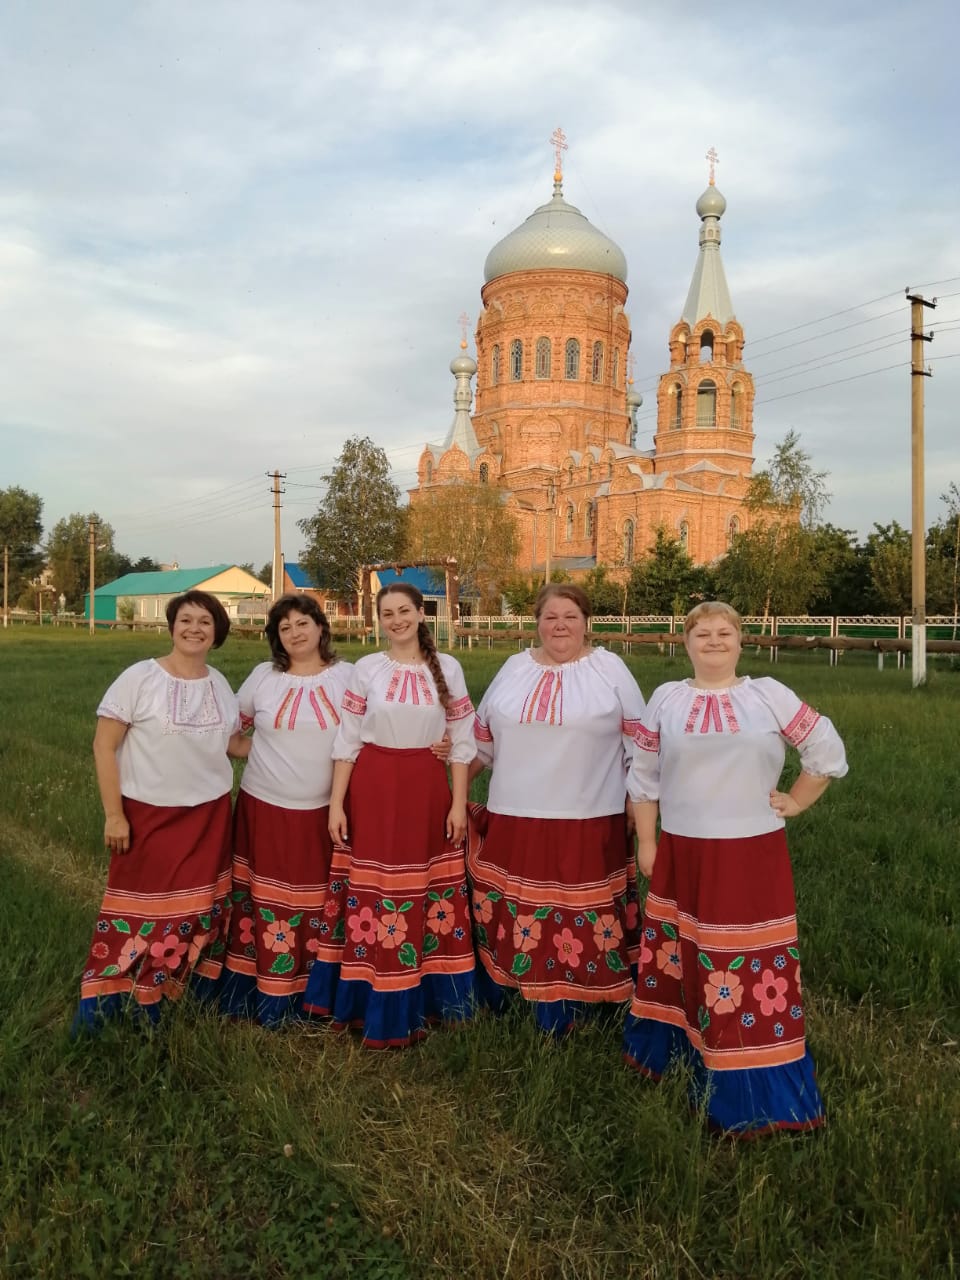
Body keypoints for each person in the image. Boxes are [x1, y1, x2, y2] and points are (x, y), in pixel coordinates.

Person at [623, 601, 848, 1136]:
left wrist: (797, 799)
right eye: (703, 633)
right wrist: (648, 844)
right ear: (686, 642)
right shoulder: (666, 700)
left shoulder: (767, 695)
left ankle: (754, 1076)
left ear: (742, 641)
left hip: (750, 851)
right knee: (687, 951)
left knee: (743, 958)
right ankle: (680, 1050)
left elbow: (826, 748)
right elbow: (645, 777)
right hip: (683, 851)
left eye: (725, 633)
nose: (714, 641)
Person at [302, 582, 477, 1047]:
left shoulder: (450, 669)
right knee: (374, 887)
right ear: (377, 619)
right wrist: (337, 803)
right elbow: (349, 739)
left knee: (425, 886)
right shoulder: (367, 669)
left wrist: (458, 804)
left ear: (422, 614)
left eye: (405, 610)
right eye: (387, 613)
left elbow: (461, 743)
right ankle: (364, 996)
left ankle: (430, 997)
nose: (396, 620)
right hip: (374, 785)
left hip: (424, 786)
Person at [467, 583, 646, 1035]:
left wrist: (635, 801)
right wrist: (440, 791)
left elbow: (641, 746)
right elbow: (481, 742)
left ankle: (578, 1005)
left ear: (587, 622)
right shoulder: (514, 667)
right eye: (550, 616)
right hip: (515, 810)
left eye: (570, 616)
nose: (560, 625)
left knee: (576, 912)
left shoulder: (610, 669)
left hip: (587, 814)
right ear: (537, 622)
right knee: (518, 907)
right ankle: (511, 990)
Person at [73, 590, 240, 1031]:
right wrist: (114, 814)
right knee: (138, 911)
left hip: (209, 819)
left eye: (205, 621)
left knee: (196, 909)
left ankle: (177, 993)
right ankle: (113, 1002)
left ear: (216, 633)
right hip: (147, 817)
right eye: (186, 619)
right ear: (172, 627)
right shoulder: (139, 678)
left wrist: (303, 742)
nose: (194, 628)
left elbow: (232, 744)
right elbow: (103, 746)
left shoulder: (220, 685)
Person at [220, 594, 355, 1026]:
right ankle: (260, 993)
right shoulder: (263, 677)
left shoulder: (348, 677)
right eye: (285, 627)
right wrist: (265, 753)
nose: (295, 633)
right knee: (262, 902)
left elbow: (374, 735)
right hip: (264, 809)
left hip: (323, 812)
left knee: (317, 905)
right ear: (276, 637)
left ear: (321, 627)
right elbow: (227, 734)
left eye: (303, 623)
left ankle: (313, 995)